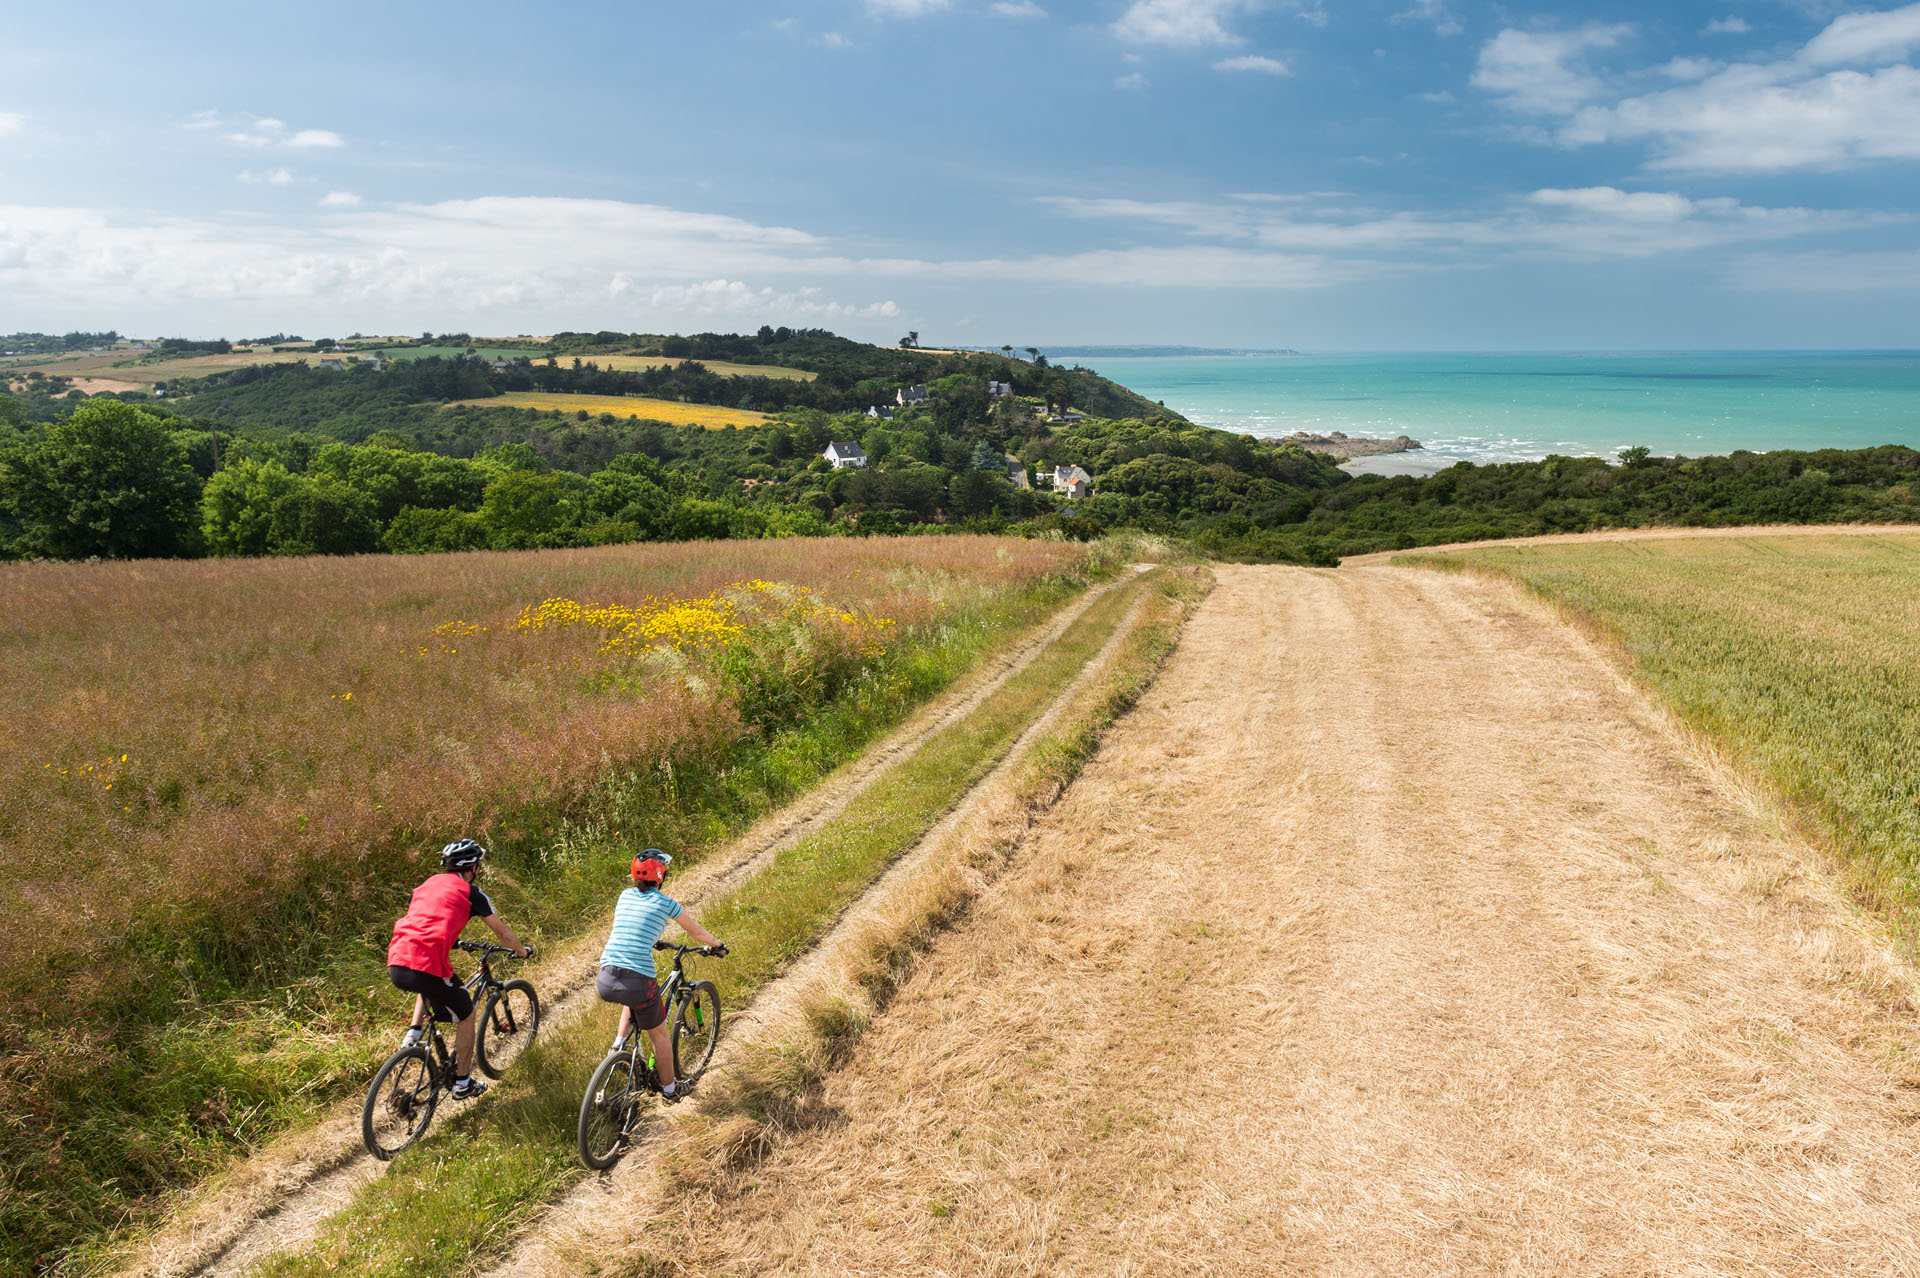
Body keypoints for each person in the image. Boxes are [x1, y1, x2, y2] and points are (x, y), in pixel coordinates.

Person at [387, 838, 531, 1100]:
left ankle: (414, 1033)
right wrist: (521, 951)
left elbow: (425, 920)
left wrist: (450, 941)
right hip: (427, 965)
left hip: (397, 960)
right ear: (472, 867)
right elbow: (502, 932)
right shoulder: (471, 893)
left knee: (432, 981)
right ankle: (462, 1082)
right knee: (466, 1012)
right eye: (478, 864)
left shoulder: (426, 885)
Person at [596, 849, 725, 1102]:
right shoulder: (667, 904)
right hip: (637, 981)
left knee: (631, 996)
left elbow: (633, 927)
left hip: (606, 976)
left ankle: (619, 1044)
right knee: (659, 1034)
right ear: (661, 876)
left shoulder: (624, 896)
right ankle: (669, 1089)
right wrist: (717, 944)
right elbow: (696, 932)